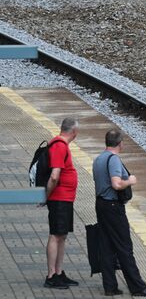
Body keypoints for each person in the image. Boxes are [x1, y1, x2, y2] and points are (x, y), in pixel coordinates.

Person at [92, 129, 146, 297]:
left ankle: (110, 286)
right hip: (113, 207)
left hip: (100, 204)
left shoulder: (99, 159)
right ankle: (138, 287)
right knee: (124, 247)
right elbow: (116, 184)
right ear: (120, 143)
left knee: (107, 246)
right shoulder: (113, 160)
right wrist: (130, 181)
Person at [44, 117, 80, 290]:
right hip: (58, 198)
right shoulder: (59, 146)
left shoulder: (62, 145)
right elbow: (54, 176)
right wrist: (46, 196)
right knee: (55, 235)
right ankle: (51, 275)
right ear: (74, 132)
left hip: (65, 198)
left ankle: (59, 272)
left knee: (62, 235)